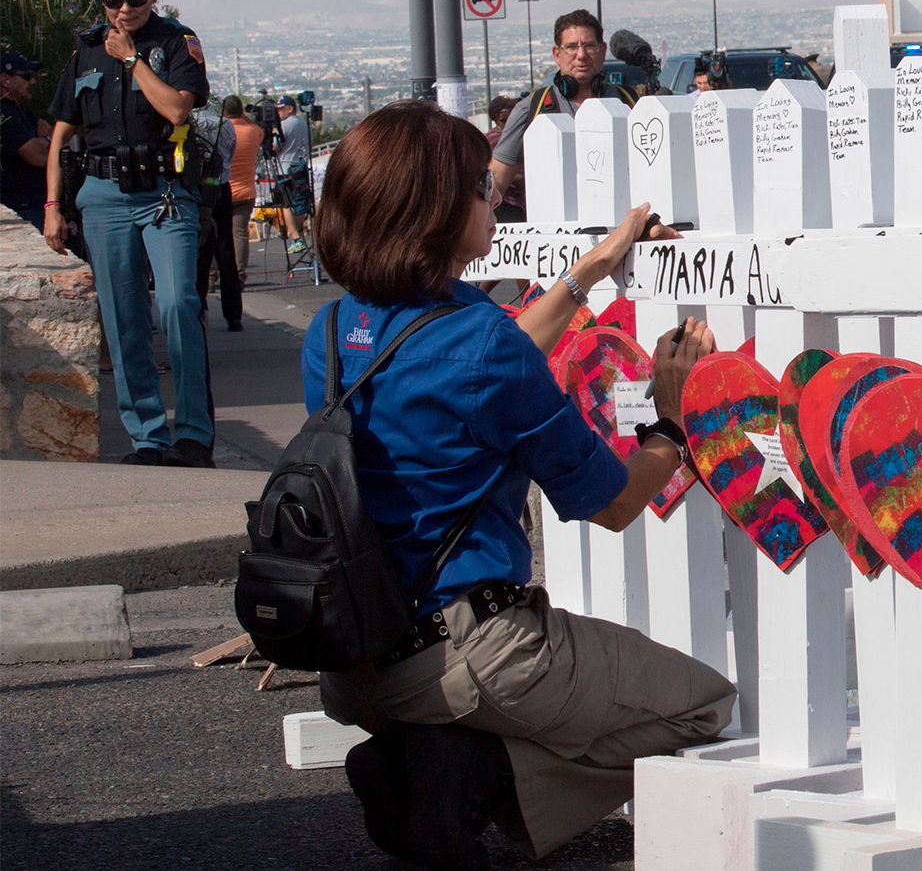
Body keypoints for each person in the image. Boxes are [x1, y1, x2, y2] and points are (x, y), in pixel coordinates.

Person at [305, 100, 725, 870]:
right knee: (703, 704)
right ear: (433, 211)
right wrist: (670, 419)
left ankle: (424, 767)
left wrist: (588, 272)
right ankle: (474, 776)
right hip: (476, 654)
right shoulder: (481, 346)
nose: (493, 199)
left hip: (357, 662)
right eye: (481, 188)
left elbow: (469, 365)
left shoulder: (336, 332)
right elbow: (618, 503)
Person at [44, 0, 214, 467]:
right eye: (113, 0)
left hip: (163, 192)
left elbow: (178, 108)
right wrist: (54, 205)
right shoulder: (87, 52)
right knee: (123, 318)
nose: (124, 9)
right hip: (103, 195)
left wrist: (132, 58)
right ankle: (147, 437)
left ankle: (192, 435)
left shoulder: (175, 43)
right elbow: (60, 137)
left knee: (179, 304)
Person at [489, 9, 637, 198]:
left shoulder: (631, 103)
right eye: (572, 47)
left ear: (603, 51)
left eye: (589, 45)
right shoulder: (532, 109)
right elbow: (497, 179)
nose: (581, 55)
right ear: (557, 54)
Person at [190, 98, 243, 330]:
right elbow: (230, 153)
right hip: (222, 185)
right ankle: (233, 315)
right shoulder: (225, 124)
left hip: (199, 188)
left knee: (201, 251)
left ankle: (200, 307)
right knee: (226, 250)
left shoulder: (192, 123)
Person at [0, 51, 51, 230]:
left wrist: (43, 139)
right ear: (5, 80)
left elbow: (61, 139)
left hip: (36, 202)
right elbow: (39, 157)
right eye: (26, 76)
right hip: (21, 206)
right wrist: (45, 139)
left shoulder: (22, 110)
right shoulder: (3, 114)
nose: (33, 81)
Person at [222, 95, 263, 282]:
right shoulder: (254, 131)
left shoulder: (221, 131)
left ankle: (213, 277)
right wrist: (244, 116)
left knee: (218, 234)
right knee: (240, 233)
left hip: (223, 189)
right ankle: (239, 275)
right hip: (246, 191)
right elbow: (256, 127)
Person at [273, 95, 312, 254]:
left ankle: (296, 238)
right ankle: (299, 234)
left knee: (285, 204)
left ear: (289, 108)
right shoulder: (305, 124)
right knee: (300, 203)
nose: (279, 112)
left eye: (281, 109)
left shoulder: (283, 125)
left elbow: (275, 147)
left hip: (285, 168)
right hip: (301, 167)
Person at [483, 95, 524, 223]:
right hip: (508, 203)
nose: (514, 111)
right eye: (509, 109)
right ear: (498, 115)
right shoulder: (494, 139)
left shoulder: (510, 134)